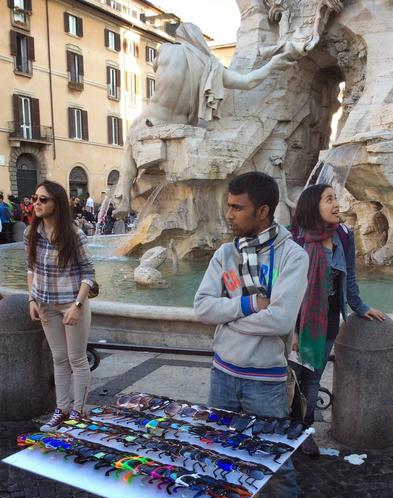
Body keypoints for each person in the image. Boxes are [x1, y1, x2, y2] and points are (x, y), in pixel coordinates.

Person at [194, 172, 309, 498]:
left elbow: (281, 319)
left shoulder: (293, 256)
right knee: (221, 452)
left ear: (262, 211)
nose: (229, 214)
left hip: (265, 379)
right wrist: (247, 305)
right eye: (229, 205)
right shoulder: (225, 254)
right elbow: (201, 308)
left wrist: (229, 317)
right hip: (223, 373)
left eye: (236, 207)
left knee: (276, 463)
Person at [113, 22, 293, 218]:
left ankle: (124, 200)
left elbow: (157, 66)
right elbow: (248, 81)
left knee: (129, 143)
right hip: (181, 125)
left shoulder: (166, 49)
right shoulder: (211, 66)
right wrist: (273, 64)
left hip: (153, 120)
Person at [291, 184, 385, 455]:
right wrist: (292, 329)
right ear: (312, 205)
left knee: (311, 379)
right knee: (290, 379)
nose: (337, 204)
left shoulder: (343, 234)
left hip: (327, 322)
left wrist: (360, 306)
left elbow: (351, 277)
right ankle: (285, 429)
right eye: (329, 199)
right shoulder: (295, 238)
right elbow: (284, 286)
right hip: (295, 324)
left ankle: (304, 431)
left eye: (336, 198)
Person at [24, 180, 97, 432]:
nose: (36, 203)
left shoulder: (74, 234)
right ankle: (62, 410)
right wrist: (31, 299)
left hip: (71, 303)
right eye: (35, 198)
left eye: (43, 199)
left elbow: (89, 273)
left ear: (57, 203)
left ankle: (79, 411)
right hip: (45, 304)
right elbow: (31, 268)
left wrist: (77, 305)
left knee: (77, 358)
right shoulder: (31, 233)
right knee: (58, 358)